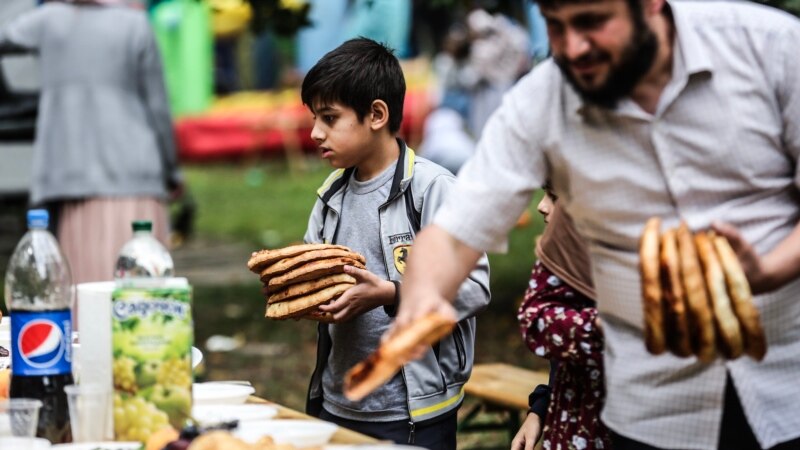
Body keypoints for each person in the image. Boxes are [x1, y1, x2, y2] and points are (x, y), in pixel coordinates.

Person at [392, 1, 800, 449]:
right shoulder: (542, 99)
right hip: (651, 413)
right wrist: (422, 296)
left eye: (591, 22)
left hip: (787, 390)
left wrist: (769, 271)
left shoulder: (772, 47)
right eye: (555, 25)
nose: (573, 47)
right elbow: (455, 232)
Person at [299, 37, 491, 450]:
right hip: (339, 403)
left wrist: (391, 293)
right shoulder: (330, 196)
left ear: (377, 115)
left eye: (329, 118)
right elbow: (311, 276)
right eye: (314, 118)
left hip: (412, 413)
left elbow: (475, 287)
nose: (315, 133)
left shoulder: (432, 190)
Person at [0, 0, 181, 284]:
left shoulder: (48, 20)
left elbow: (6, 38)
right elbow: (157, 108)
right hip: (136, 178)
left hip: (74, 180)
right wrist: (171, 170)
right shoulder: (136, 25)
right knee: (146, 294)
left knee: (86, 291)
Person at [511, 187, 610, 450]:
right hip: (571, 430)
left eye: (554, 197)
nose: (541, 206)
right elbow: (563, 360)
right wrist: (541, 410)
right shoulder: (567, 260)